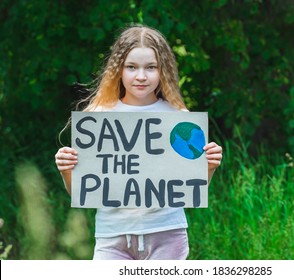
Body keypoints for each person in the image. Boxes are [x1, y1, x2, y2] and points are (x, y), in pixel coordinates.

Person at [54, 24, 222, 260]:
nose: (141, 76)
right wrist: (66, 170)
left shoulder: (178, 119)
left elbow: (190, 190)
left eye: (151, 67)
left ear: (163, 70)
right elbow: (82, 192)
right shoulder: (99, 118)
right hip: (112, 238)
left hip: (167, 234)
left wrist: (209, 166)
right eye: (131, 67)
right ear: (118, 70)